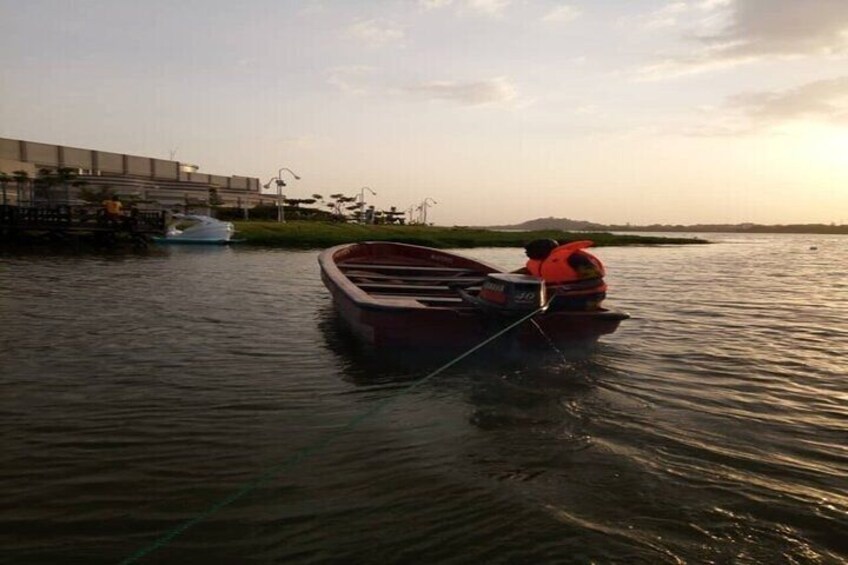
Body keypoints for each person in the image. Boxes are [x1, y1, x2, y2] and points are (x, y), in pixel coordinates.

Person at [520, 238, 607, 310]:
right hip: (556, 296)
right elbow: (520, 274)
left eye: (530, 250)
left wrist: (564, 288)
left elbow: (595, 282)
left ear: (542, 249)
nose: (527, 253)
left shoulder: (575, 258)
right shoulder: (536, 263)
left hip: (586, 297)